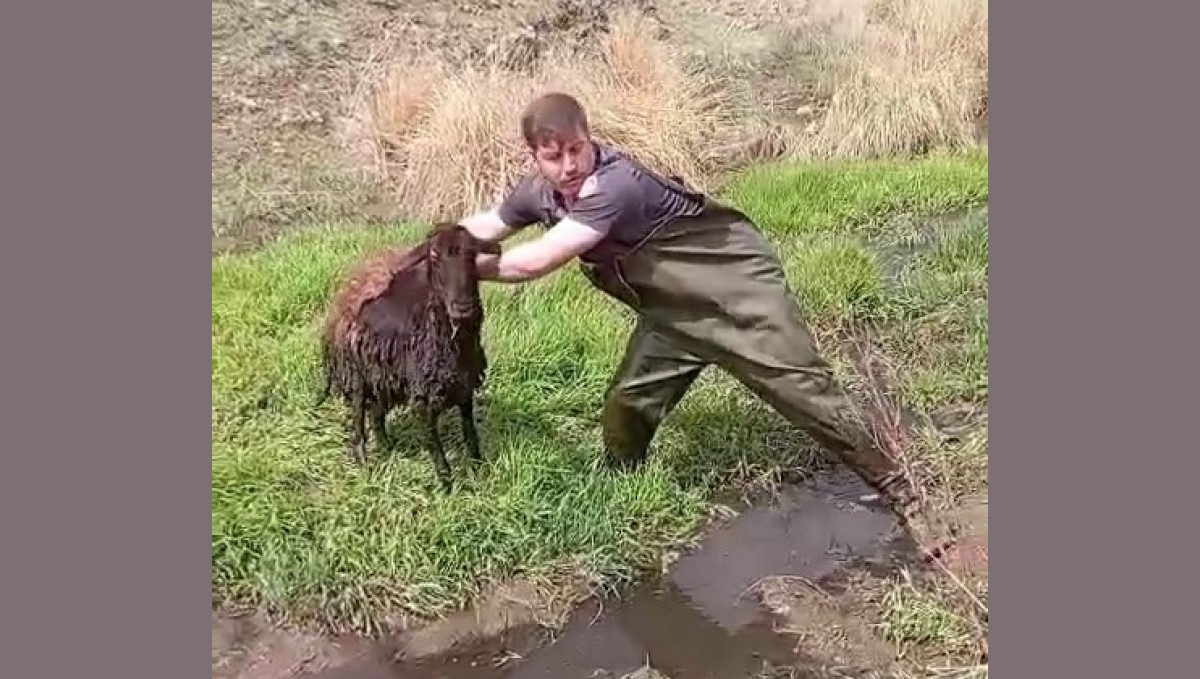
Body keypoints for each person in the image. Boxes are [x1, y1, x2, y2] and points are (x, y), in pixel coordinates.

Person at [457, 92, 955, 559]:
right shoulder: (539, 194)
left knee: (806, 392)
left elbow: (535, 262)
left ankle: (907, 494)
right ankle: (621, 492)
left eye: (576, 149)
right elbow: (483, 226)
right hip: (675, 312)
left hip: (738, 292)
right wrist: (431, 255)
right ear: (534, 158)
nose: (568, 165)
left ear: (592, 139)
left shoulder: (615, 185)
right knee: (627, 405)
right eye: (553, 156)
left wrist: (461, 268)